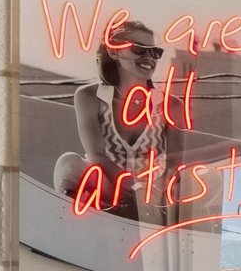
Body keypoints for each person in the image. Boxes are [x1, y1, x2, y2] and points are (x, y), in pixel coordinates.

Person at [52, 21, 167, 221]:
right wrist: (135, 187)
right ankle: (116, 210)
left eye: (155, 51)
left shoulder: (168, 103)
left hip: (156, 193)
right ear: (115, 52)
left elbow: (175, 163)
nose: (148, 57)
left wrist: (152, 193)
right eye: (139, 49)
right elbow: (96, 155)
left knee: (208, 178)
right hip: (110, 186)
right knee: (69, 164)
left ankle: (141, 212)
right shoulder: (89, 96)